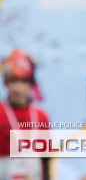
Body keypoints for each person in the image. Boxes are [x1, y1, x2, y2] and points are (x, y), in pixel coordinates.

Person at [1, 49, 51, 180]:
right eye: (13, 81)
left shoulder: (40, 116)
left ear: (31, 84)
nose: (17, 88)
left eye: (23, 82)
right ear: (6, 83)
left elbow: (46, 159)